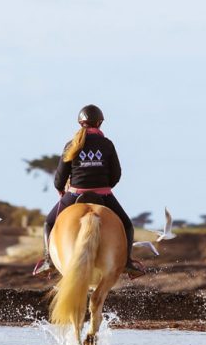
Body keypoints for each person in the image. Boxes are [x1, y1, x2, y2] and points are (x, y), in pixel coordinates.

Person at [33, 105, 145, 278]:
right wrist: (104, 187)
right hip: (104, 195)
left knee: (48, 223)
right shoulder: (107, 144)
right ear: (99, 123)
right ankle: (127, 263)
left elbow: (59, 178)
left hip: (75, 194)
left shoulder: (71, 145)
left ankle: (48, 261)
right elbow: (116, 174)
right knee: (127, 225)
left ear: (80, 123)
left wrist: (61, 190)